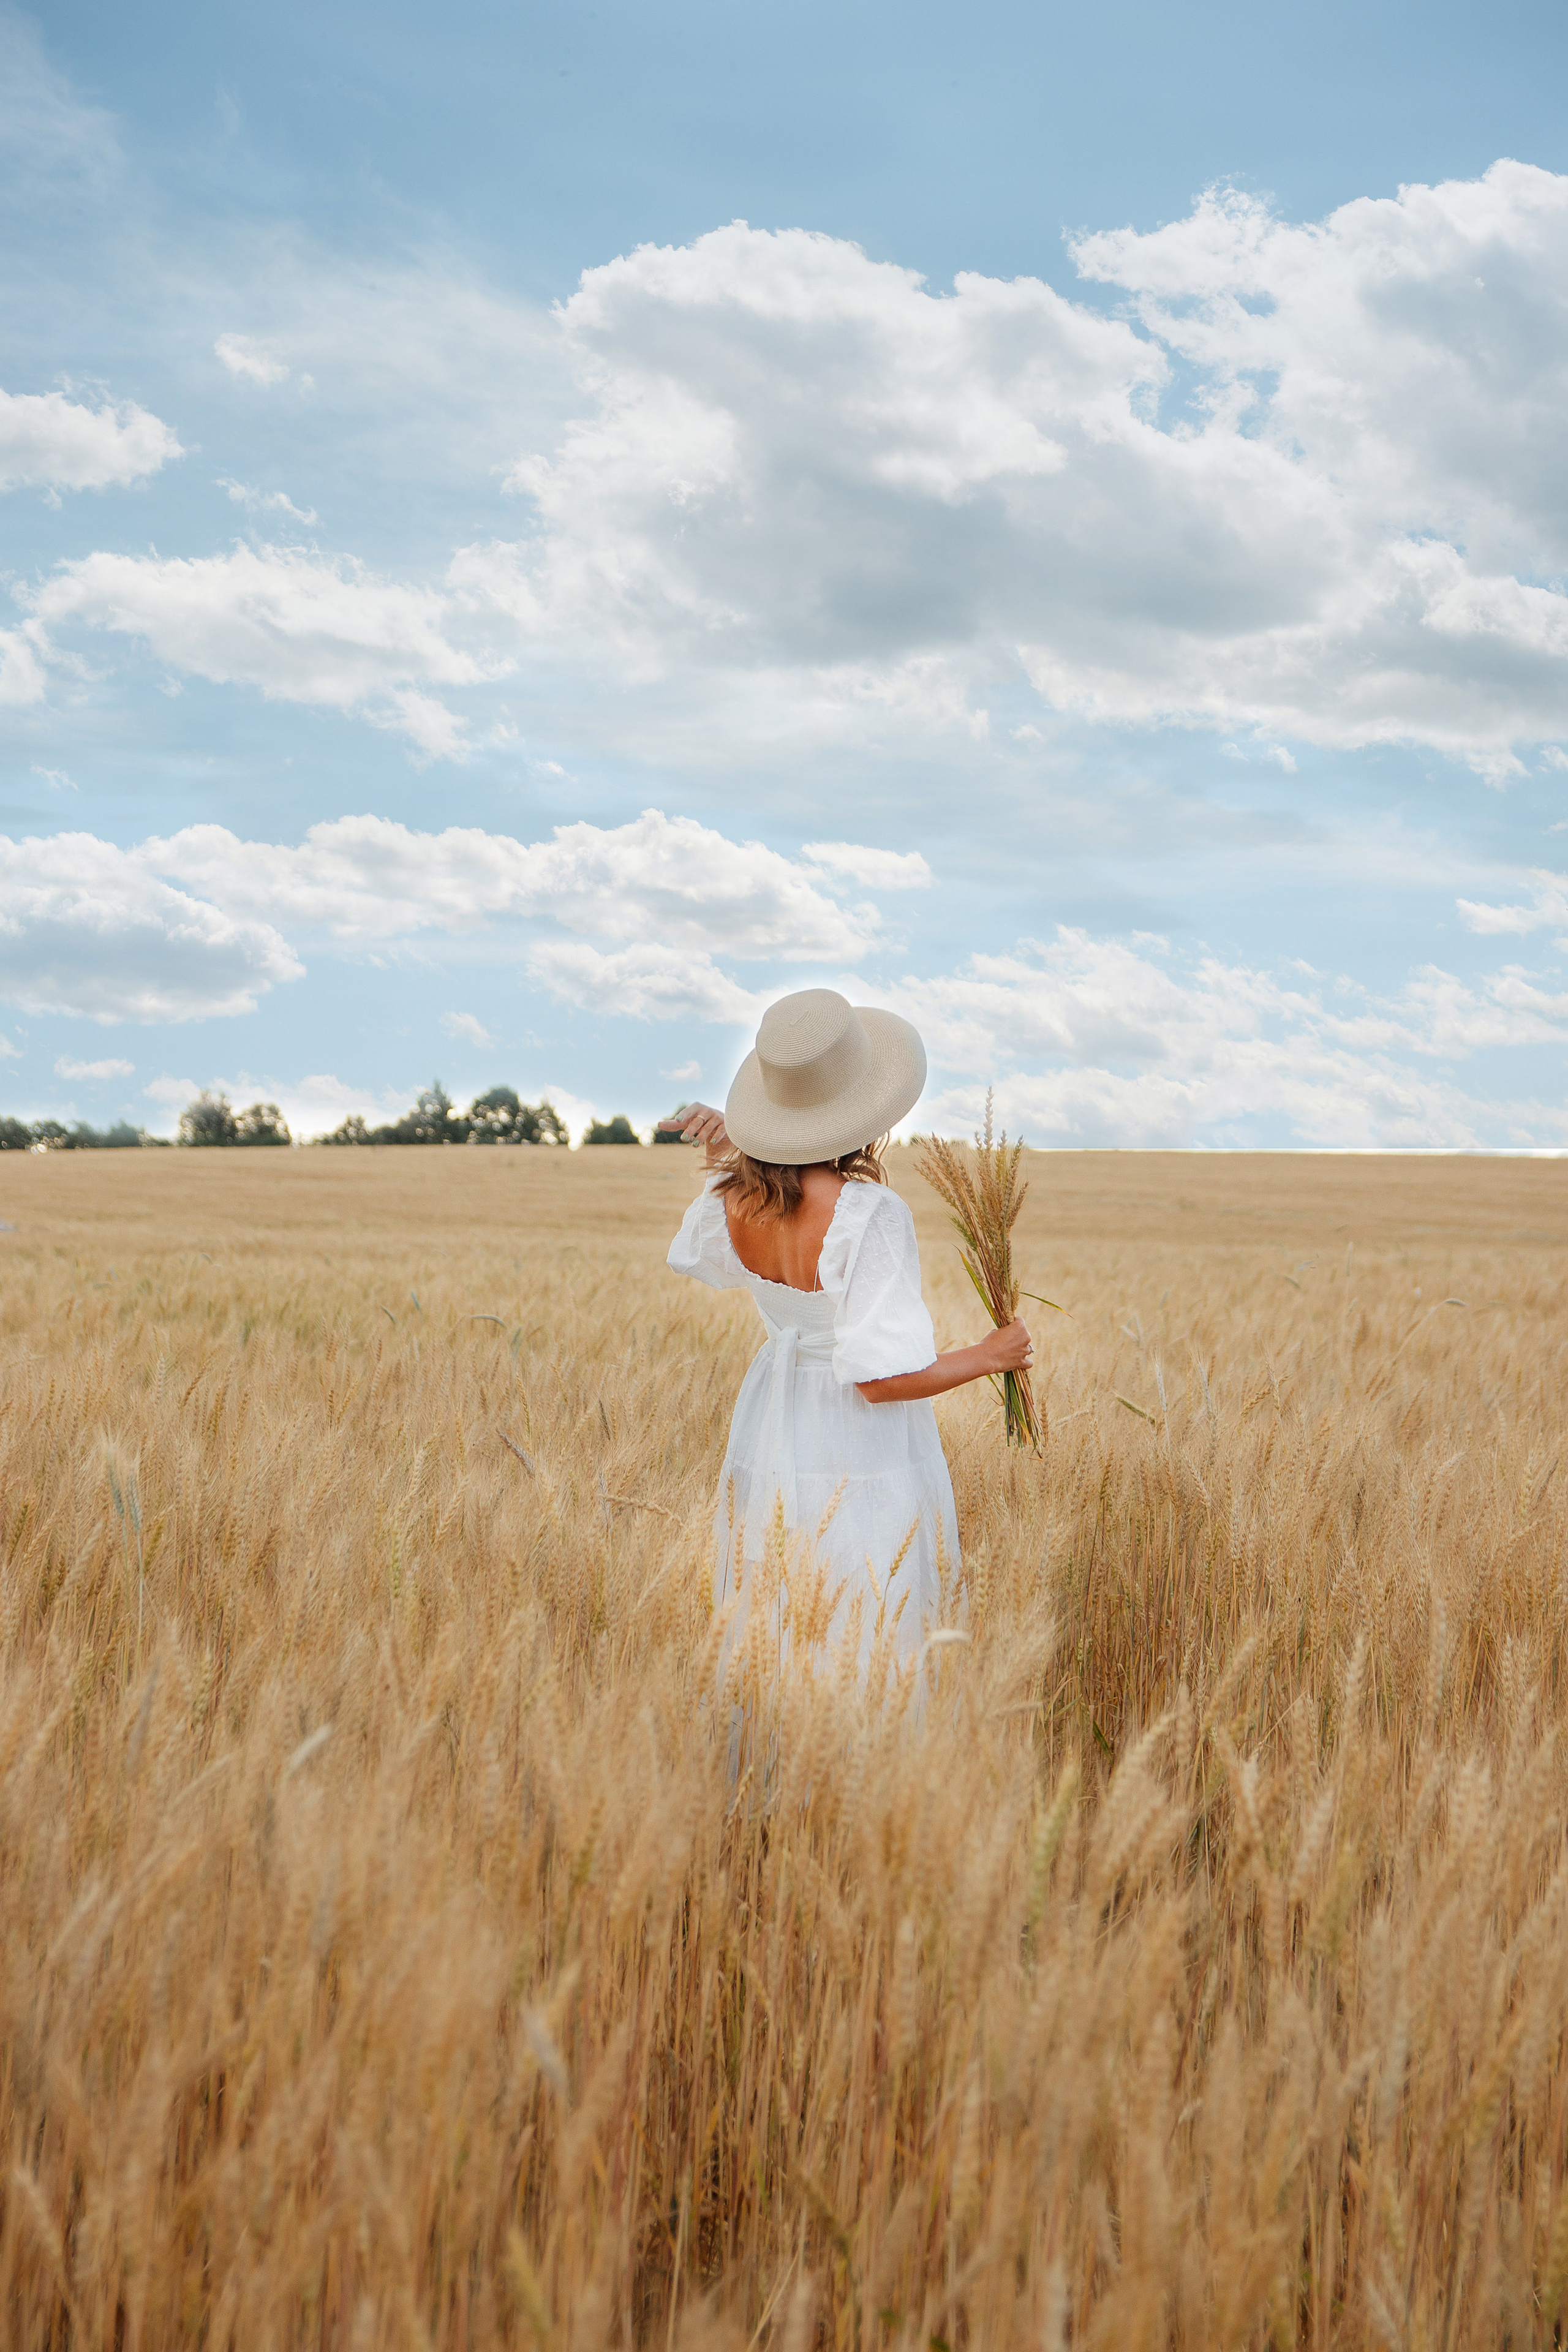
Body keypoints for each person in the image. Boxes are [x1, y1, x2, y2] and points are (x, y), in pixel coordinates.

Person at [661, 987, 1032, 1683]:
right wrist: (990, 1356)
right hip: (857, 1440)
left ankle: (785, 1772)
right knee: (869, 1603)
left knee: (776, 1600)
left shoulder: (730, 1199)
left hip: (776, 1417)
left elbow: (729, 1238)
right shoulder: (869, 1213)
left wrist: (736, 1148)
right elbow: (878, 1380)